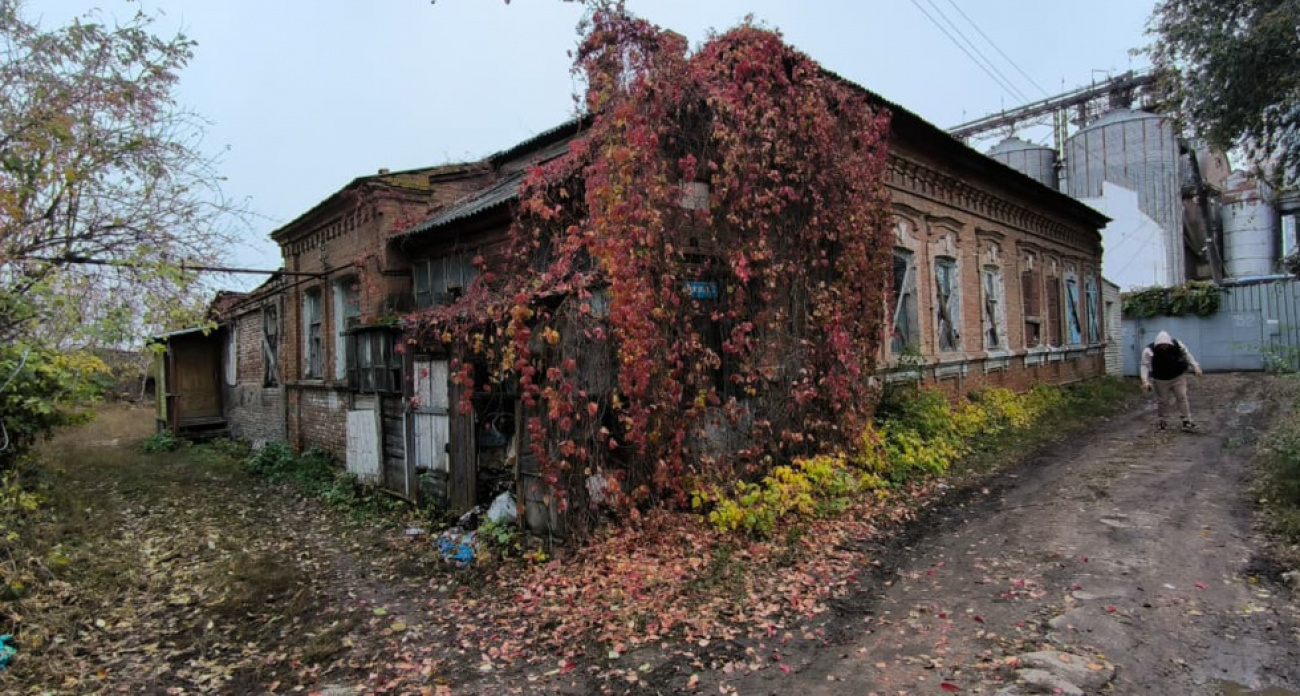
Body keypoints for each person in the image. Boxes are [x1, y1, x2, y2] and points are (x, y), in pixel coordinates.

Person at [1140, 330, 1203, 431]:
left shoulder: (1177, 345)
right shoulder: (1149, 350)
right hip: (1160, 379)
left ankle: (1186, 420)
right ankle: (1163, 420)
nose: (1163, 347)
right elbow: (1144, 365)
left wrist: (1195, 366)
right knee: (1163, 401)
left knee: (1182, 397)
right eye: (1161, 345)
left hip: (1178, 376)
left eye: (1165, 345)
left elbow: (1187, 355)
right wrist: (1145, 380)